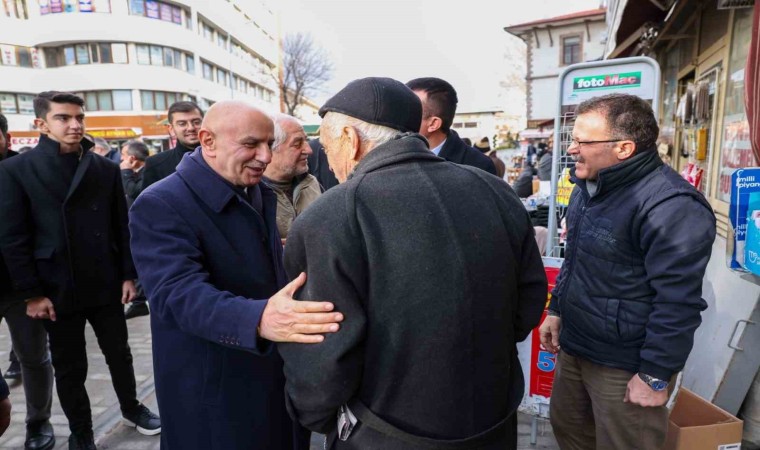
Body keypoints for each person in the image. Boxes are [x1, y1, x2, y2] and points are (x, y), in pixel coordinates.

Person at [278, 77, 547, 449]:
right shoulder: (495, 190)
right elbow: (529, 301)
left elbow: (324, 349)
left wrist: (316, 415)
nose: (327, 159)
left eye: (326, 146)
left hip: (386, 431)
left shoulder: (334, 213)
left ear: (350, 140)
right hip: (490, 419)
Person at [129, 101, 344, 450]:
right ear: (207, 141)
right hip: (214, 384)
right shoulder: (162, 202)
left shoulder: (254, 188)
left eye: (268, 144)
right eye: (250, 144)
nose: (264, 156)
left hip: (271, 372)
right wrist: (258, 318)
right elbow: (176, 294)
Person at [539, 93, 716, 450]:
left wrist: (654, 374)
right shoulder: (587, 187)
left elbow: (677, 302)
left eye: (582, 141)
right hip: (576, 346)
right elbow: (576, 257)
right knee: (569, 431)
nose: (572, 150)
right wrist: (556, 308)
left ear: (623, 148)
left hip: (624, 365)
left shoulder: (671, 206)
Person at [0, 91, 161, 450]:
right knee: (70, 365)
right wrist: (32, 293)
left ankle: (132, 407)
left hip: (103, 280)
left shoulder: (103, 168)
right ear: (41, 124)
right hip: (55, 287)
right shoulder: (16, 170)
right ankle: (81, 430)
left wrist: (127, 274)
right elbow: (13, 236)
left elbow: (121, 225)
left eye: (79, 117)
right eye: (63, 118)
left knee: (119, 353)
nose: (74, 125)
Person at [0, 113, 56, 450]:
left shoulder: (24, 172)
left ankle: (39, 424)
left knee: (34, 358)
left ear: (5, 136)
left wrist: (36, 290)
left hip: (22, 290)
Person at [405, 77, 497, 175]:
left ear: (433, 124)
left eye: (408, 112)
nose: (397, 116)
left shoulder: (478, 166)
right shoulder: (392, 155)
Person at [263, 114, 321, 239]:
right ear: (271, 148)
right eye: (297, 143)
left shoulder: (312, 184)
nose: (309, 150)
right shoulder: (252, 194)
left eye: (306, 141)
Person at [141, 101, 203, 190]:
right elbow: (148, 201)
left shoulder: (222, 158)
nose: (191, 128)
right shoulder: (156, 164)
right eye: (182, 124)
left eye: (196, 122)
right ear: (171, 129)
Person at [120, 140, 149, 207]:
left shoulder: (148, 172)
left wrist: (126, 171)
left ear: (132, 158)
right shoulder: (134, 171)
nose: (121, 158)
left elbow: (133, 192)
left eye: (123, 154)